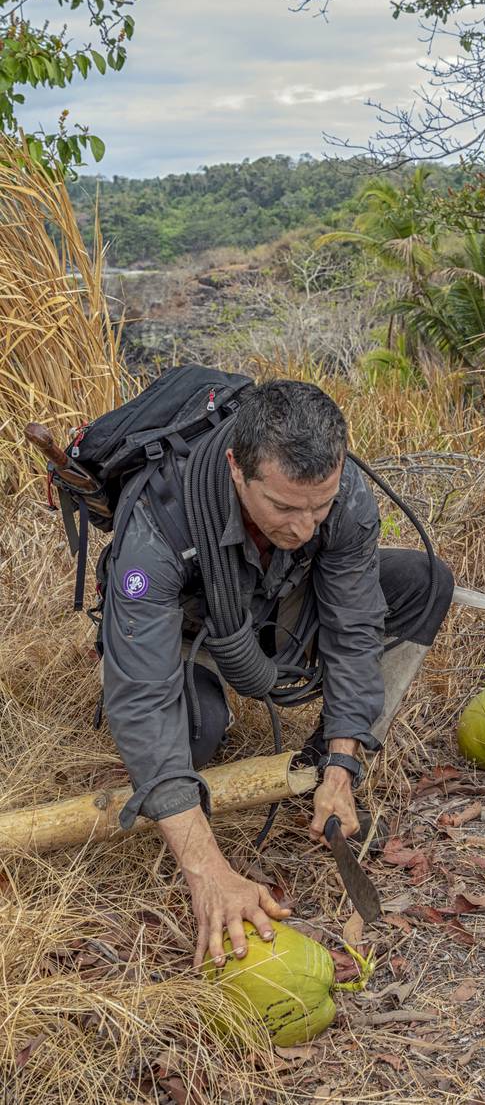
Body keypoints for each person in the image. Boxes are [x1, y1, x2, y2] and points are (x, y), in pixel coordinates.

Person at [100, 378, 453, 966]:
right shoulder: (158, 528)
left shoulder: (341, 500)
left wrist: (344, 760)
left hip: (281, 606)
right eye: (285, 507)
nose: (306, 526)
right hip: (191, 634)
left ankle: (322, 768)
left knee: (424, 582)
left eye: (320, 505)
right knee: (197, 733)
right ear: (238, 469)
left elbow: (353, 625)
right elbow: (142, 703)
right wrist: (208, 870)